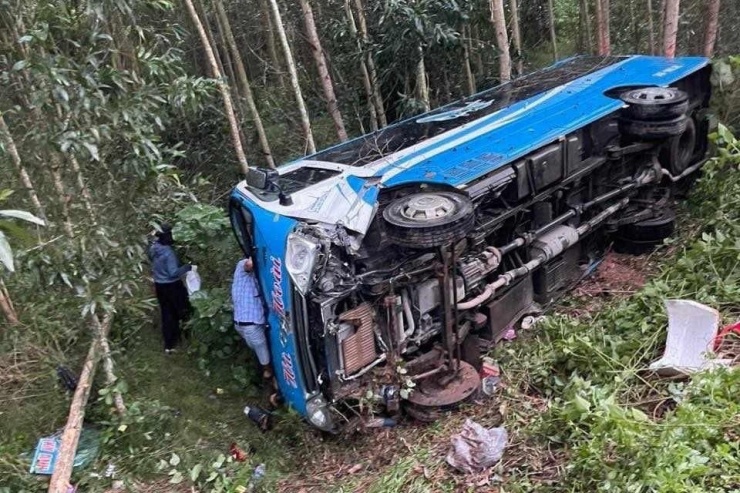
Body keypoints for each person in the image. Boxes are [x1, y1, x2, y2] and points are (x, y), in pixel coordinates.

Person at [148, 223, 192, 353]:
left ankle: (169, 345)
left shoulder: (154, 248)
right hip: (172, 285)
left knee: (167, 314)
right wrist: (187, 267)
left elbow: (150, 258)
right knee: (183, 311)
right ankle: (188, 338)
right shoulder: (169, 253)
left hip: (159, 285)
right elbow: (173, 272)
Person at [232, 257, 273, 380]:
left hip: (243, 323)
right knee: (264, 357)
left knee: (261, 350)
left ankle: (264, 373)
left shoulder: (257, 280)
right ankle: (269, 377)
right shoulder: (242, 268)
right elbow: (250, 263)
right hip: (250, 323)